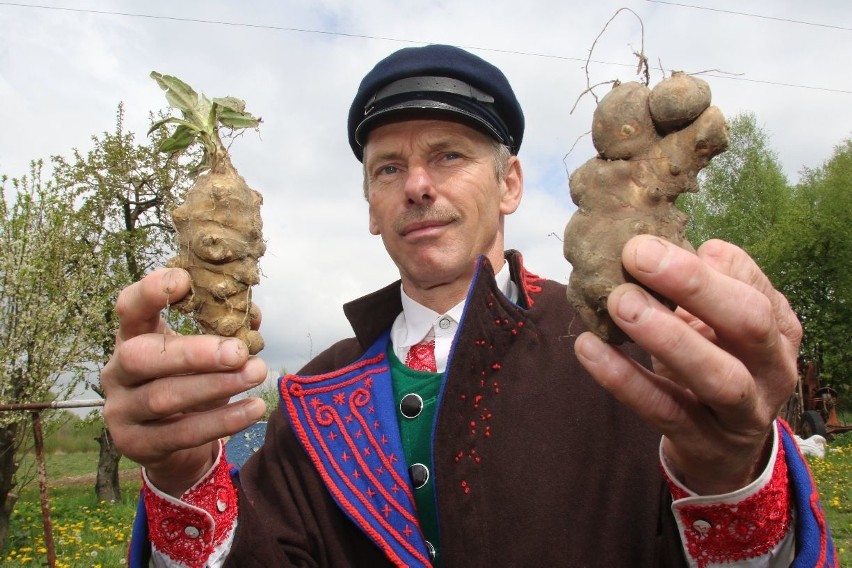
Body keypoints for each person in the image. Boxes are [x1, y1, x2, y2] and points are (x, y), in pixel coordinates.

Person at [102, 44, 837, 567]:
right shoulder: (309, 398)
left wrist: (735, 470)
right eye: (389, 168)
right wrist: (181, 480)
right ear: (370, 207)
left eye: (449, 155)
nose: (417, 185)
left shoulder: (641, 357)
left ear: (511, 185)